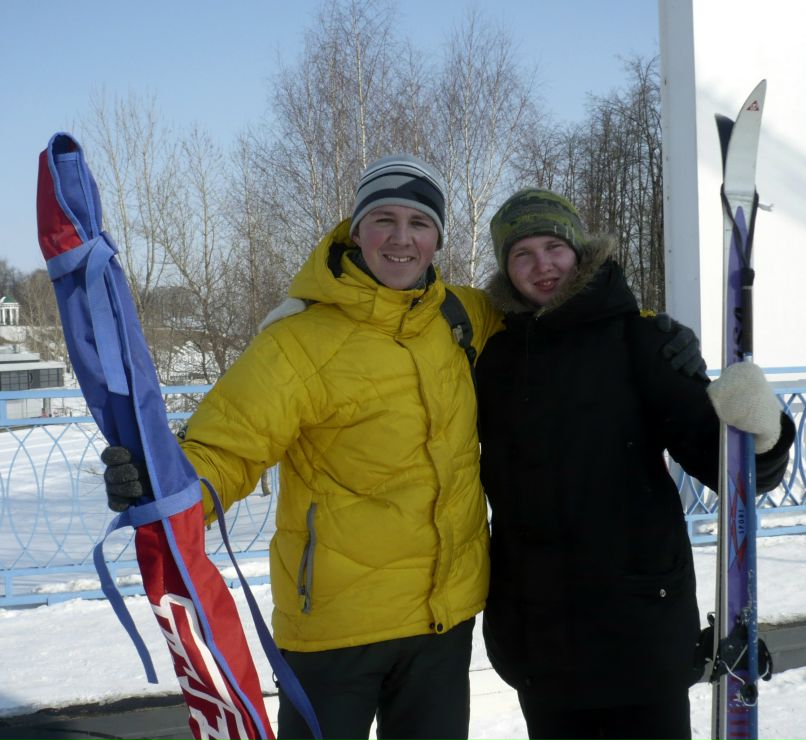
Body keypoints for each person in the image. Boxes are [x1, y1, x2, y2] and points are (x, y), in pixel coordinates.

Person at [102, 156, 705, 740]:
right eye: (384, 220)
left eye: (419, 223)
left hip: (441, 623)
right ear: (356, 231)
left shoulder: (462, 316)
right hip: (337, 624)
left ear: (437, 239)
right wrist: (165, 484)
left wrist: (658, 333)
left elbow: (568, 315)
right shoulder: (297, 341)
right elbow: (227, 447)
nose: (401, 238)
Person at [475, 188, 795, 740]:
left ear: (579, 252)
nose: (541, 265)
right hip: (538, 633)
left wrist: (761, 436)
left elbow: (725, 468)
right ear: (506, 269)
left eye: (554, 247)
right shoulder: (495, 356)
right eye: (522, 253)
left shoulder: (641, 340)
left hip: (640, 628)